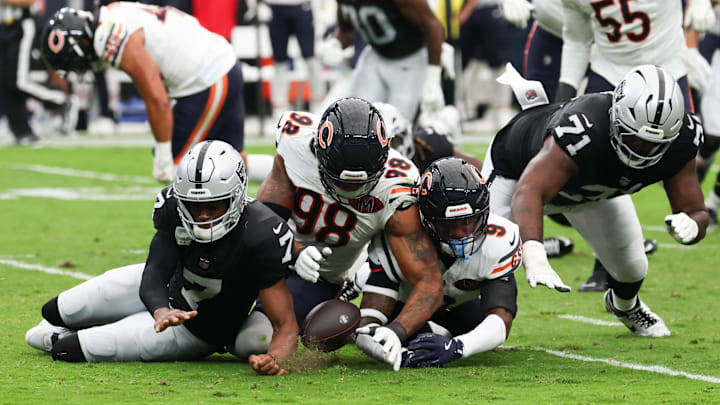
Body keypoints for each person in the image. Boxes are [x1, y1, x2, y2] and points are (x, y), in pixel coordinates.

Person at [25, 140, 302, 376]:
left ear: (237, 197)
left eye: (212, 205)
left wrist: (274, 359)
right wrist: (160, 310)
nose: (202, 215)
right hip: (168, 291)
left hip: (197, 329)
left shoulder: (262, 233)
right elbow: (155, 273)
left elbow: (285, 324)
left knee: (64, 348)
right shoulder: (172, 207)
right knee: (57, 311)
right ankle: (94, 323)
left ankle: (83, 331)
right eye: (194, 206)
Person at [481, 65, 709, 337]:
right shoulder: (582, 127)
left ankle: (625, 306)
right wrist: (534, 253)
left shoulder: (682, 140)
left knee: (632, 266)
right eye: (634, 137)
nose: (641, 149)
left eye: (653, 144)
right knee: (479, 254)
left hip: (594, 192)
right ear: (616, 117)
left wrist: (693, 226)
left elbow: (695, 210)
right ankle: (450, 316)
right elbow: (530, 192)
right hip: (516, 176)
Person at [254, 97, 445, 371]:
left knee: (254, 339)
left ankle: (352, 288)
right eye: (339, 180)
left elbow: (427, 279)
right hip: (272, 253)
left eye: (361, 182)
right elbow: (266, 217)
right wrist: (292, 248)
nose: (348, 191)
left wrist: (397, 331)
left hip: (320, 277)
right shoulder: (296, 142)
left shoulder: (397, 186)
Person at [39, 4, 268, 183]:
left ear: (81, 43)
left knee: (185, 171)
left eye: (79, 63)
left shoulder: (108, 36)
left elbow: (156, 99)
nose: (84, 68)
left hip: (208, 78)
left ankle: (186, 241)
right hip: (221, 64)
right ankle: (293, 179)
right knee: (232, 165)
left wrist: (162, 155)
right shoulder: (111, 14)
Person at [356, 157, 520, 368]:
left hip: (458, 305)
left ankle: (439, 332)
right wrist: (381, 340)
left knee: (476, 326)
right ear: (426, 221)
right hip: (405, 306)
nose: (461, 234)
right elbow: (368, 324)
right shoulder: (402, 240)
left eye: (468, 222)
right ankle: (362, 277)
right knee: (412, 338)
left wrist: (458, 347)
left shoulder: (500, 239)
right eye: (448, 226)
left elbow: (501, 319)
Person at [375, 100, 573, 258]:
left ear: (408, 135)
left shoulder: (429, 146)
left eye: (395, 141)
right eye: (380, 143)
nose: (391, 150)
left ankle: (528, 245)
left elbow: (475, 171)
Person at [319, 0, 446, 120]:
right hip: (376, 54)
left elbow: (434, 26)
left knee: (395, 128)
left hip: (410, 61)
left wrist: (433, 79)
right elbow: (346, 28)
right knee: (354, 118)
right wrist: (336, 43)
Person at [0, 0, 77, 145]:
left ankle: (61, 101)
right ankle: (21, 131)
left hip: (22, 25)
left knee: (19, 81)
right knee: (5, 81)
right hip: (5, 26)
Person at [264, 0, 324, 117]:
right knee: (279, 61)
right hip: (276, 8)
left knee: (310, 57)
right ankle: (279, 105)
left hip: (302, 7)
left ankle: (318, 101)